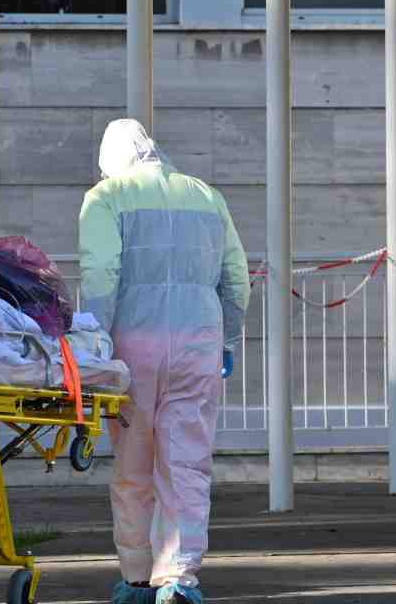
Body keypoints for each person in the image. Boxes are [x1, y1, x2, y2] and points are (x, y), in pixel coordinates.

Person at [79, 119, 250, 604]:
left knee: (133, 465)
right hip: (198, 345)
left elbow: (101, 273)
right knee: (187, 463)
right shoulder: (207, 197)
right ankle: (178, 577)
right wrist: (227, 341)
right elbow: (237, 279)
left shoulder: (106, 197)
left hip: (132, 346)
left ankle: (136, 576)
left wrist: (95, 341)